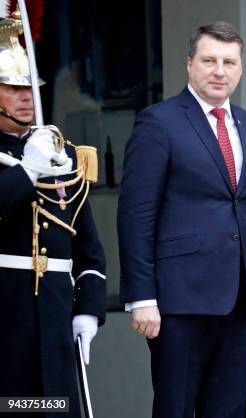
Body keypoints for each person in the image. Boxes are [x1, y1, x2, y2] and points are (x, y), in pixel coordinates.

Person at [118, 21, 246, 418]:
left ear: (240, 68)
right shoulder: (158, 121)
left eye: (229, 62)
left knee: (230, 410)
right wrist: (142, 296)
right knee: (176, 408)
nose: (220, 70)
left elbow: (245, 209)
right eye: (209, 60)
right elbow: (136, 214)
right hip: (178, 300)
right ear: (189, 64)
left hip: (241, 300)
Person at [0, 16, 106, 418]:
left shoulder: (61, 156)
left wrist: (88, 309)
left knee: (56, 409)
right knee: (14, 408)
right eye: (13, 88)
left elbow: (90, 251)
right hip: (8, 314)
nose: (26, 97)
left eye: (31, 88)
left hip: (57, 315)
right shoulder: (29, 162)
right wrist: (25, 172)